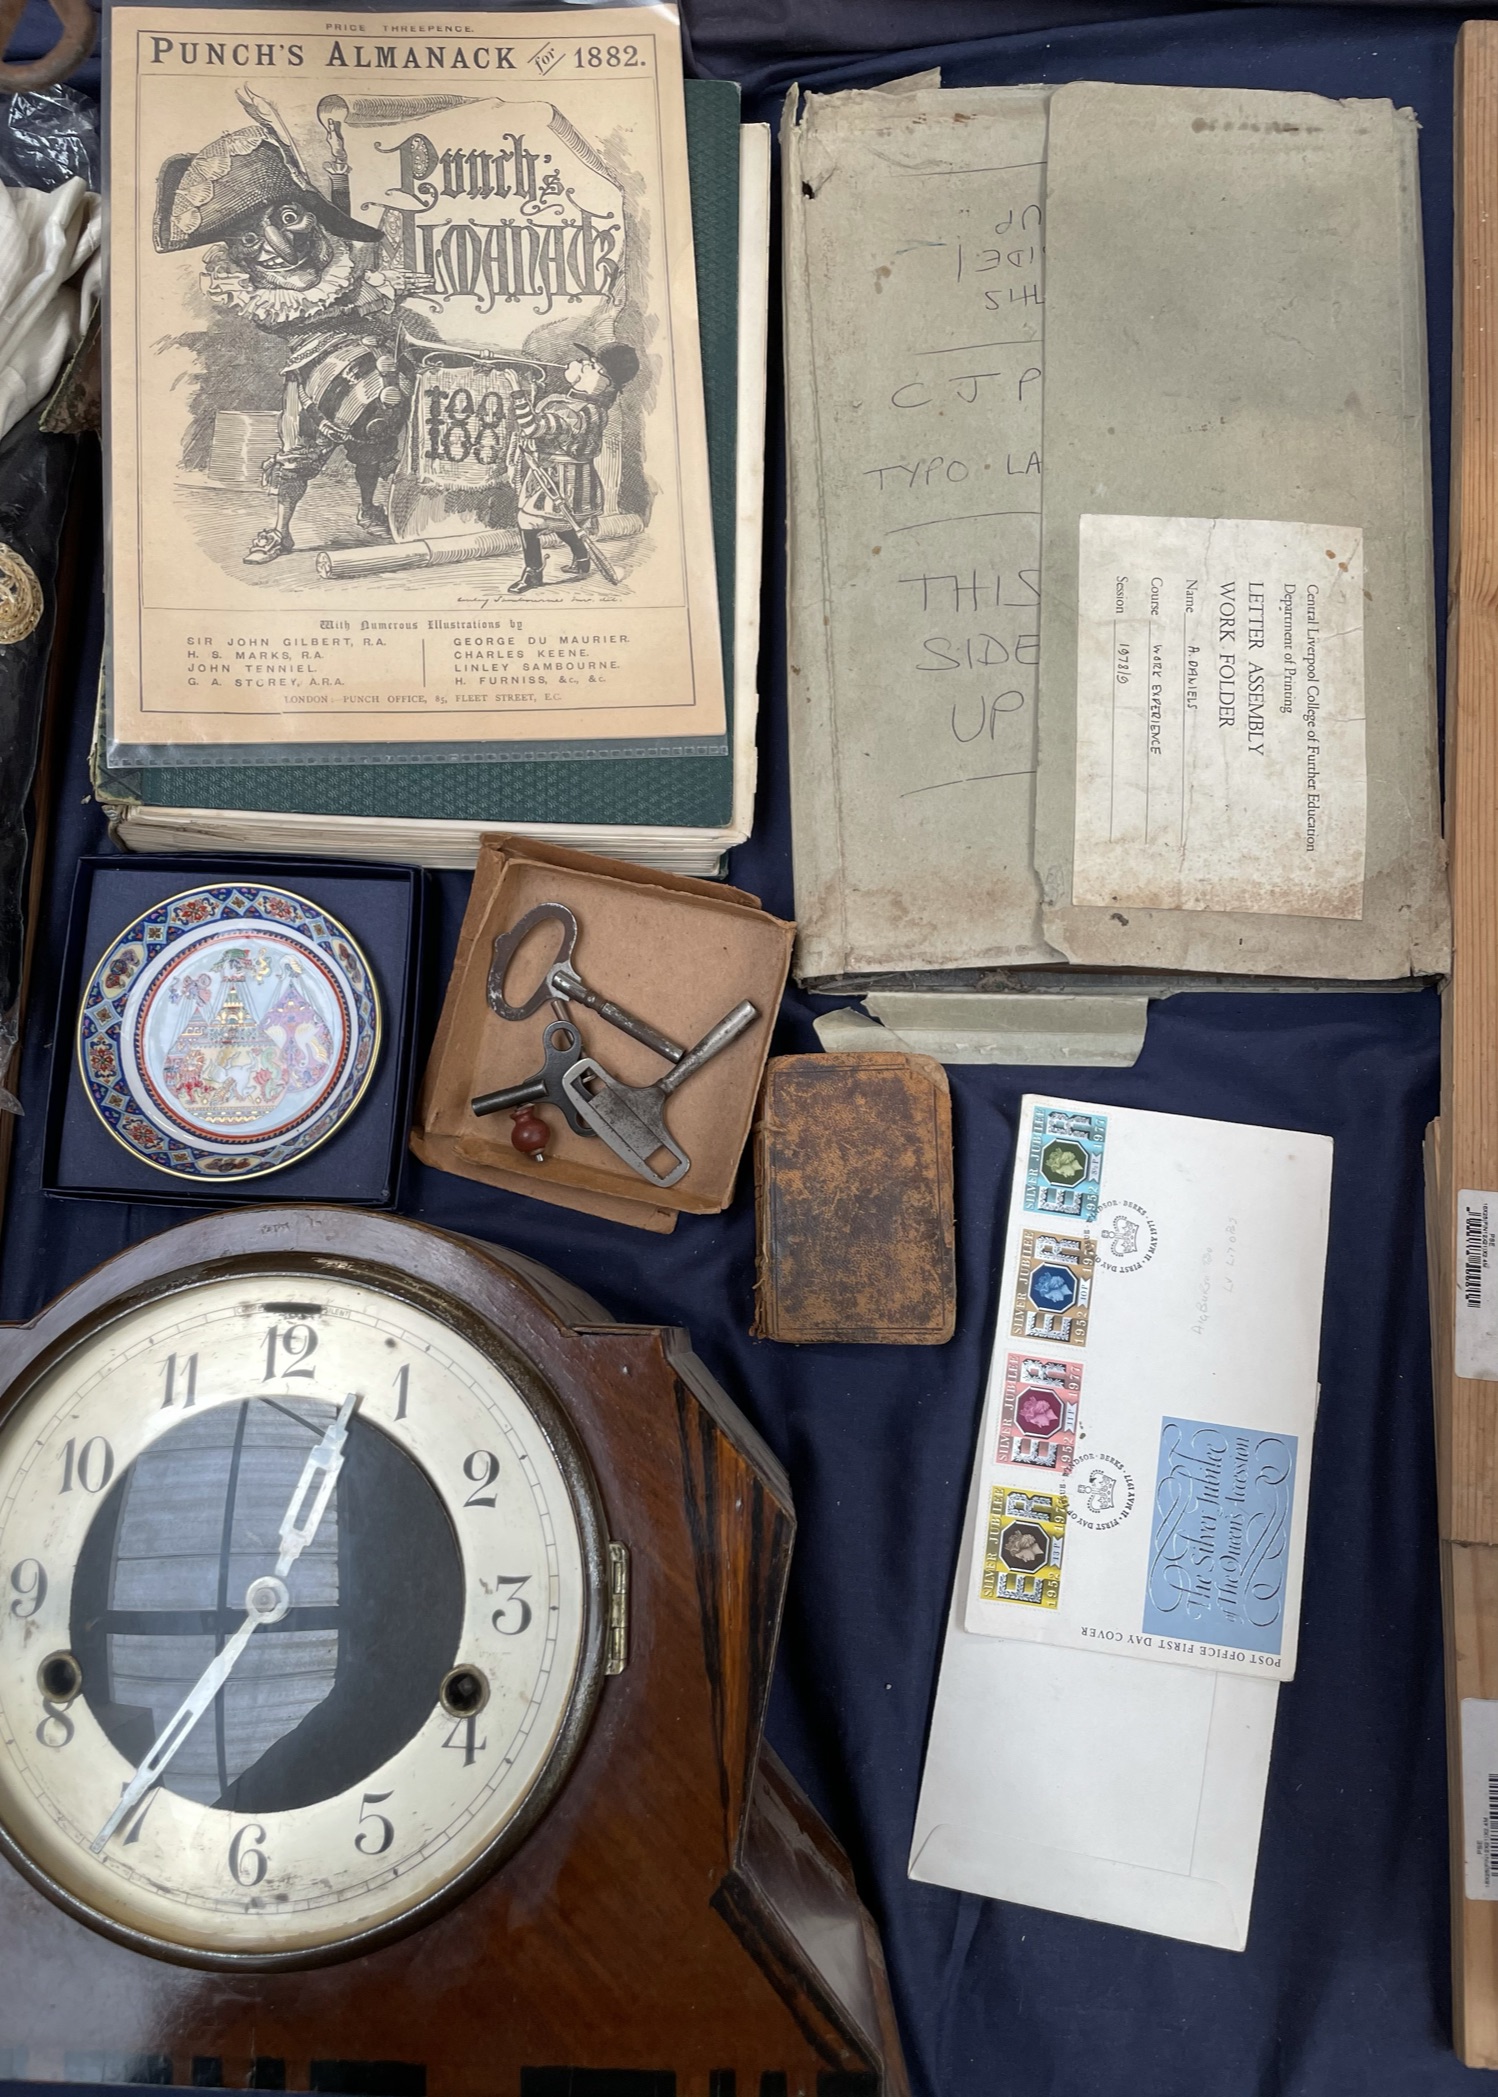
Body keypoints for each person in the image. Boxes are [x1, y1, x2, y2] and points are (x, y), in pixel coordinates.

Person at [154, 91, 410, 565]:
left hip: (365, 350)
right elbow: (290, 318)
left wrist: (338, 167)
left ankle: (369, 506)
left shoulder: (333, 250)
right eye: (250, 239)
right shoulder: (245, 281)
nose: (274, 246)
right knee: (295, 446)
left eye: (287, 221)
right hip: (308, 362)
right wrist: (372, 293)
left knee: (376, 431)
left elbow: (347, 227)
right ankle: (279, 530)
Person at [503, 342, 641, 594]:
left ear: (604, 383)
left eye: (590, 366)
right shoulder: (591, 407)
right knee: (563, 523)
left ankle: (533, 573)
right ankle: (581, 559)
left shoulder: (575, 412)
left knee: (529, 521)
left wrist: (516, 391)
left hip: (558, 478)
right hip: (572, 478)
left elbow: (532, 428)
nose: (580, 364)